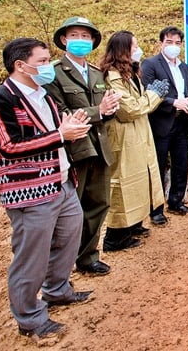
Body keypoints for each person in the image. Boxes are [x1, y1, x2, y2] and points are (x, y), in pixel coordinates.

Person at [0, 38, 93, 341]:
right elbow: (8, 146)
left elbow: (54, 135)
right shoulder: (0, 98)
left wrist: (70, 129)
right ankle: (30, 318)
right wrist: (60, 134)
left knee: (69, 238)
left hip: (62, 181)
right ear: (21, 65)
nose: (48, 66)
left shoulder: (44, 95)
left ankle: (57, 290)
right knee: (31, 255)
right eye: (43, 61)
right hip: (29, 192)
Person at [44, 16, 122, 275]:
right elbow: (62, 113)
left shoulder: (98, 74)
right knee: (69, 214)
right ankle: (59, 272)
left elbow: (104, 111)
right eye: (75, 35)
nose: (81, 40)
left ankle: (88, 258)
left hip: (99, 147)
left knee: (98, 205)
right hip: (74, 151)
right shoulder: (54, 74)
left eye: (86, 36)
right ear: (64, 40)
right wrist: (99, 111)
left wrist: (109, 109)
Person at [99, 31, 170, 249]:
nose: (138, 50)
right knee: (124, 185)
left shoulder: (129, 73)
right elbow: (129, 109)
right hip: (124, 138)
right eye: (134, 46)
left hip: (138, 135)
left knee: (141, 180)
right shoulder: (111, 77)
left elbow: (139, 103)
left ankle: (134, 225)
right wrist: (154, 95)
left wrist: (148, 96)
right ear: (122, 50)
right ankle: (115, 237)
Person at [141, 26, 188, 222]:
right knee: (157, 165)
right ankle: (156, 210)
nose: (173, 47)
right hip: (161, 123)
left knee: (181, 162)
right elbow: (147, 92)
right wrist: (173, 102)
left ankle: (176, 201)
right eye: (169, 42)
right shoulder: (150, 64)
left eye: (177, 43)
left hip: (182, 122)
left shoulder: (183, 66)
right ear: (161, 43)